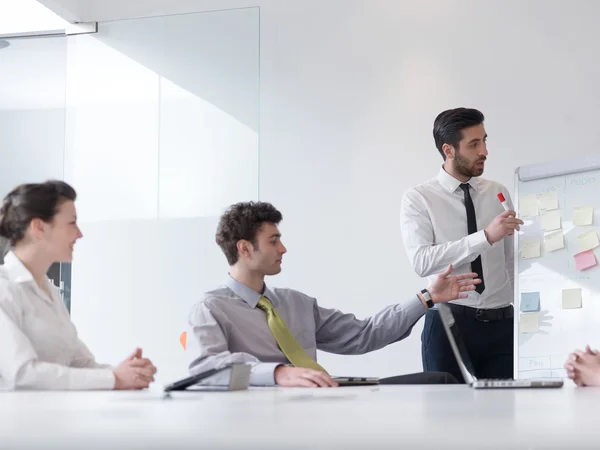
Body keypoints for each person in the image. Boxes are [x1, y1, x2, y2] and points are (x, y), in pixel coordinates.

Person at [187, 201, 481, 387]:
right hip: (266, 413)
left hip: (319, 399)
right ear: (244, 247)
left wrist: (427, 297)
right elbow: (206, 369)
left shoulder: (295, 303)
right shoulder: (211, 308)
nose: (283, 249)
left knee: (438, 381)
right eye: (273, 240)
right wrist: (278, 373)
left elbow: (365, 334)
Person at [400, 108, 524, 382]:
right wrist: (485, 236)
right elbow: (422, 262)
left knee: (504, 417)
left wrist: (525, 311)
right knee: (447, 420)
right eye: (474, 144)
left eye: (485, 140)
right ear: (449, 150)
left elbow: (510, 261)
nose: (485, 151)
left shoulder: (497, 192)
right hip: (449, 326)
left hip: (503, 324)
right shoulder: (418, 198)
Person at [0, 180, 157, 390]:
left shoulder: (50, 292)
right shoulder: (5, 288)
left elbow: (79, 363)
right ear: (39, 227)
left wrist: (129, 374)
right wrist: (114, 379)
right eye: (72, 222)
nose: (79, 233)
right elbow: (22, 373)